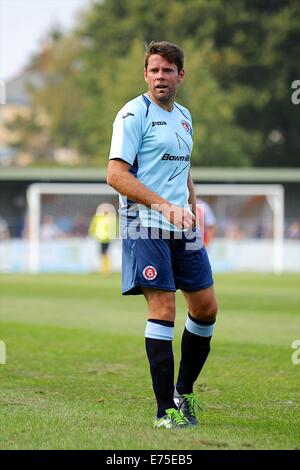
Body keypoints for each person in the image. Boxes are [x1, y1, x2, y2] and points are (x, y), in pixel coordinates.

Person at [107, 41, 218, 429]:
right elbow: (116, 176)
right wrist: (162, 206)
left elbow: (181, 165)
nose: (160, 77)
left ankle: (181, 393)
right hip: (144, 222)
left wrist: (190, 199)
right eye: (154, 70)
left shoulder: (185, 116)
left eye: (168, 71)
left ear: (180, 76)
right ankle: (164, 412)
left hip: (182, 224)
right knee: (164, 310)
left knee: (206, 309)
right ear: (145, 74)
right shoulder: (133, 114)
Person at [88, 203, 117, 274]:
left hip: (108, 238)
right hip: (100, 238)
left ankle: (106, 270)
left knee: (105, 253)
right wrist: (91, 234)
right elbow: (93, 226)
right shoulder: (97, 217)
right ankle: (104, 269)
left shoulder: (112, 218)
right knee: (102, 254)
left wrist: (116, 235)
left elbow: (115, 227)